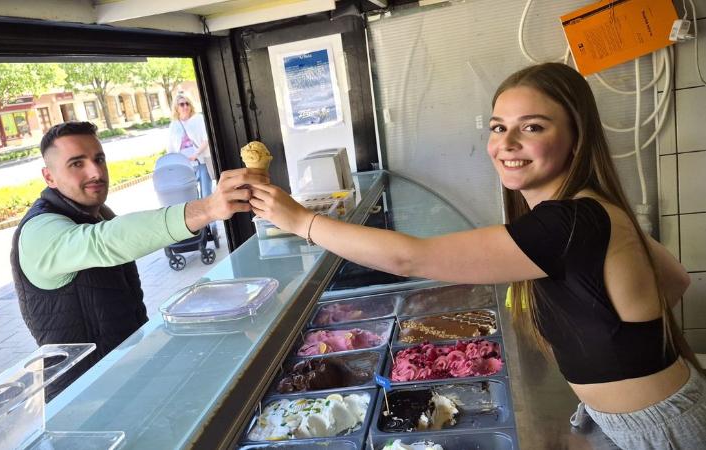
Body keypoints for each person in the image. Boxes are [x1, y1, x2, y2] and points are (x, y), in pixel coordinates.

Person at [250, 63, 706, 449]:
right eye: (498, 127)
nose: (506, 144)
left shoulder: (566, 223)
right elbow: (675, 279)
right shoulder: (592, 205)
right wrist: (614, 329)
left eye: (532, 127)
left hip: (658, 429)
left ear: (575, 136)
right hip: (645, 415)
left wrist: (300, 221)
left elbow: (412, 259)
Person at [11, 121, 266, 400]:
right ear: (49, 177)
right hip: (84, 399)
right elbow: (107, 241)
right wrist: (207, 208)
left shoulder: (96, 212)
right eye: (76, 164)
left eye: (98, 159)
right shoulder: (39, 232)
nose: (95, 172)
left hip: (127, 376)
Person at [167, 92, 214, 198]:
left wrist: (195, 155)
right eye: (182, 104)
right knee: (190, 195)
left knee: (206, 193)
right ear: (176, 107)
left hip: (200, 161)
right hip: (183, 164)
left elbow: (206, 140)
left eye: (187, 103)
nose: (185, 106)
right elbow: (170, 147)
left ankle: (208, 214)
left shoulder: (198, 119)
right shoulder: (174, 125)